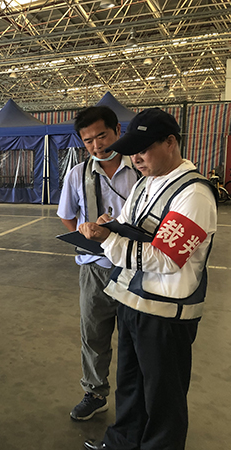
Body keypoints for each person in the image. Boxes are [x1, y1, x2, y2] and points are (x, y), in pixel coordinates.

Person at [79, 108, 217, 450]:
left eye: (143, 150)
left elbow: (166, 258)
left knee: (163, 397)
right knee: (130, 385)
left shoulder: (194, 194)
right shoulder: (145, 183)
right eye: (133, 152)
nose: (137, 159)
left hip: (166, 314)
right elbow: (128, 224)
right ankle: (122, 442)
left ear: (170, 142)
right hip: (132, 302)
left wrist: (108, 239)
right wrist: (109, 226)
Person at [58, 106, 138, 421]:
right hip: (95, 268)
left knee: (135, 337)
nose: (97, 145)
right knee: (93, 334)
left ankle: (134, 399)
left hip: (135, 268)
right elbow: (66, 215)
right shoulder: (77, 174)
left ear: (117, 130)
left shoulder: (140, 169)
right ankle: (94, 392)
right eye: (88, 140)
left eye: (102, 136)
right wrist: (85, 234)